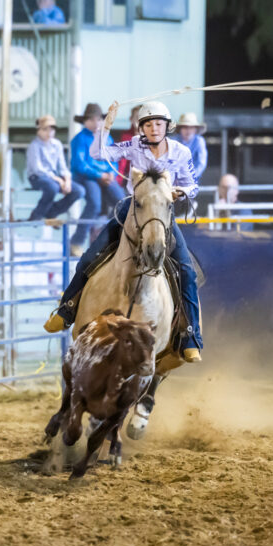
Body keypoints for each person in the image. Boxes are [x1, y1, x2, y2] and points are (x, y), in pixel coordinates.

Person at [43, 101, 203, 363]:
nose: (153, 129)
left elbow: (193, 185)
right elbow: (98, 154)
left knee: (186, 270)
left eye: (158, 124)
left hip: (163, 212)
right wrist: (105, 126)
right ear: (141, 128)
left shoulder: (181, 152)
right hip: (132, 209)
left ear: (167, 126)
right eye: (148, 124)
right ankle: (67, 309)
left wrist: (180, 192)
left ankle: (190, 335)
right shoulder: (133, 146)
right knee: (90, 256)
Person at [69, 103, 126, 256]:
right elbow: (80, 164)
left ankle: (114, 237)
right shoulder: (79, 139)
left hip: (104, 176)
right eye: (92, 120)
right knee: (94, 203)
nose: (96, 123)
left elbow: (113, 159)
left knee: (122, 201)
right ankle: (77, 241)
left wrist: (110, 173)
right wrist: (101, 175)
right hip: (86, 177)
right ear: (85, 121)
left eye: (98, 119)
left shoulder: (106, 138)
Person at [26, 114, 84, 224]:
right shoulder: (34, 146)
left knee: (79, 191)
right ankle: (36, 215)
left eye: (52, 129)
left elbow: (62, 166)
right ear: (38, 130)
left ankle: (52, 212)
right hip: (37, 177)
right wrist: (59, 180)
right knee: (52, 187)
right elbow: (38, 169)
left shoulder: (57, 144)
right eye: (45, 129)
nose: (49, 132)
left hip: (54, 178)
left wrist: (67, 180)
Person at [175, 113, 208, 182]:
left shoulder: (199, 141)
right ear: (180, 129)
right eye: (185, 127)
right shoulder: (173, 141)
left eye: (191, 127)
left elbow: (201, 163)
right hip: (174, 179)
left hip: (192, 180)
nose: (188, 131)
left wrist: (191, 177)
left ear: (196, 129)